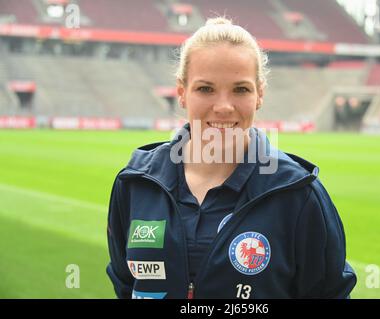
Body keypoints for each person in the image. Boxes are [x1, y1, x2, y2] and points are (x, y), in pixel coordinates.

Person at [106, 17, 356, 299]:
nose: (223, 107)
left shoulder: (298, 194)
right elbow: (125, 286)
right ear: (181, 92)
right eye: (205, 89)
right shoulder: (136, 184)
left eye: (241, 89)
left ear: (259, 94)